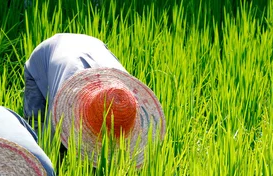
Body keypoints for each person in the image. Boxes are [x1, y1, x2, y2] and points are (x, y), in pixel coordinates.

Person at [24, 33, 166, 167]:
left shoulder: (123, 92)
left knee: (102, 150)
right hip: (48, 55)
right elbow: (55, 135)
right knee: (41, 135)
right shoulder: (67, 95)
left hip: (94, 47)